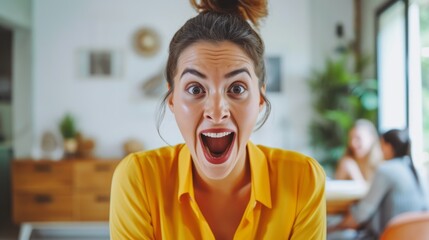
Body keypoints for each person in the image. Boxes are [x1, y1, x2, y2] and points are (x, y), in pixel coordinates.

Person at [109, 0, 326, 239]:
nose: (216, 110)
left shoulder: (302, 178)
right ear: (171, 99)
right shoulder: (138, 178)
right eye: (195, 89)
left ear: (260, 98)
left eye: (236, 88)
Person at [330, 129, 428, 239]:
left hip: (386, 236)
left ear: (388, 146)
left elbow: (361, 215)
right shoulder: (416, 171)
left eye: (381, 145)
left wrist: (332, 227)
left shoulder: (386, 170)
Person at [335, 119, 383, 185]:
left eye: (358, 138)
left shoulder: (382, 166)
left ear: (371, 138)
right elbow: (336, 192)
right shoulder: (346, 163)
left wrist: (354, 173)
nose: (352, 143)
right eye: (351, 138)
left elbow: (373, 194)